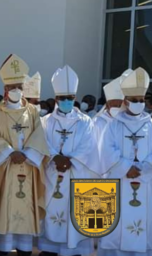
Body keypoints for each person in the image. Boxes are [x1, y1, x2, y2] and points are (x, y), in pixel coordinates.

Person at [98, 68, 152, 256]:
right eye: (134, 100)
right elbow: (106, 150)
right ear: (125, 102)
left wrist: (142, 169)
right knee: (119, 220)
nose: (139, 104)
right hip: (120, 181)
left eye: (141, 100)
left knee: (148, 220)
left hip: (146, 181)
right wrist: (125, 168)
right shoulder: (113, 125)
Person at [0, 54, 49, 256]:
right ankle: (3, 247)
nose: (16, 90)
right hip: (5, 167)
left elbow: (39, 134)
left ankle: (24, 247)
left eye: (19, 86)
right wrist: (9, 152)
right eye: (12, 87)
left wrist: (26, 154)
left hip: (27, 165)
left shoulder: (32, 111)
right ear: (5, 90)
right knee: (6, 203)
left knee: (26, 205)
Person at [37, 65, 99, 256]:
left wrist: (71, 160)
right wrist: (56, 157)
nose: (66, 101)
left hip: (75, 173)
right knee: (51, 206)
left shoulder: (85, 121)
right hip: (52, 172)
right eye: (63, 98)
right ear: (56, 99)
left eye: (70, 98)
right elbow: (42, 141)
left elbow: (89, 145)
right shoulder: (46, 120)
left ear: (75, 98)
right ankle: (49, 248)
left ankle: (73, 248)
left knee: (73, 209)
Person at [92, 70, 129, 140]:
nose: (117, 108)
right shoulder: (98, 123)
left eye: (120, 105)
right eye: (114, 105)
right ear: (107, 105)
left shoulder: (127, 122)